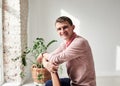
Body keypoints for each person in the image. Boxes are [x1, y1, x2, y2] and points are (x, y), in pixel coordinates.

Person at [37, 16, 96, 86]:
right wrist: (46, 62)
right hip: (73, 82)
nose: (62, 31)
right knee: (49, 83)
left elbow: (55, 59)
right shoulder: (66, 43)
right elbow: (51, 56)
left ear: (73, 27)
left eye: (65, 27)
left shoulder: (80, 42)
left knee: (49, 84)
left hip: (83, 84)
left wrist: (43, 55)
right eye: (59, 29)